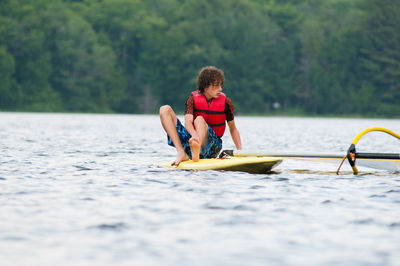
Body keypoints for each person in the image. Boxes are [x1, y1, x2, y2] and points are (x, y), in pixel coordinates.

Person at [159, 66, 242, 166]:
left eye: (221, 85)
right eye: (216, 85)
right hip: (192, 143)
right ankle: (181, 152)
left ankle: (197, 151)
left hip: (212, 146)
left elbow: (233, 129)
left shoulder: (226, 103)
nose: (220, 89)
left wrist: (240, 152)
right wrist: (194, 137)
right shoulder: (192, 99)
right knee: (164, 109)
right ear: (205, 86)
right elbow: (188, 123)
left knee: (199, 119)